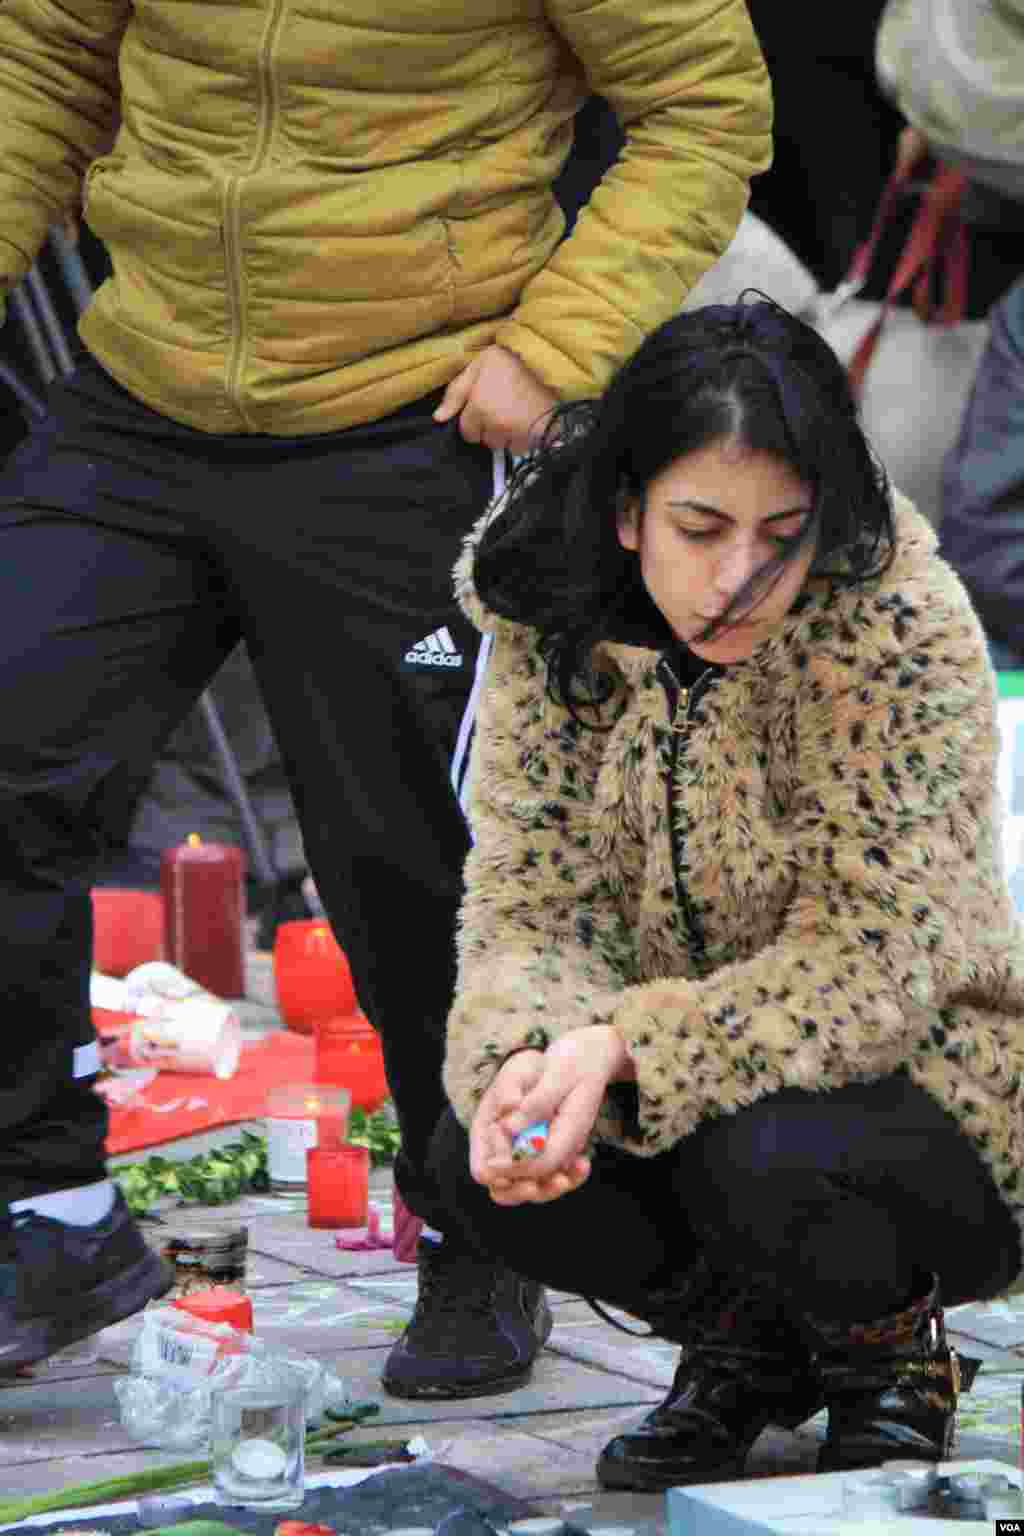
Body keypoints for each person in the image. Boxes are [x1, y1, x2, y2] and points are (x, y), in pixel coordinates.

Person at [0, 0, 772, 1388]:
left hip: (410, 407)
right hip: (140, 388)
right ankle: (43, 1212)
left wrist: (558, 347)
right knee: (6, 754)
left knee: (415, 859)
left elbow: (705, 103)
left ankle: (486, 1231)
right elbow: (45, 60)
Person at [424, 298, 1024, 1490]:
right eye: (700, 528)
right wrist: (531, 1057)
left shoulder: (894, 622)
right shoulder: (558, 621)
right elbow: (529, 905)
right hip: (680, 1070)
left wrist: (625, 1046)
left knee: (760, 1146)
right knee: (470, 1156)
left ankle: (887, 1350)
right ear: (626, 509)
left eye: (782, 535)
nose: (741, 578)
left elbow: (873, 964)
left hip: (931, 1093)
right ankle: (746, 1341)